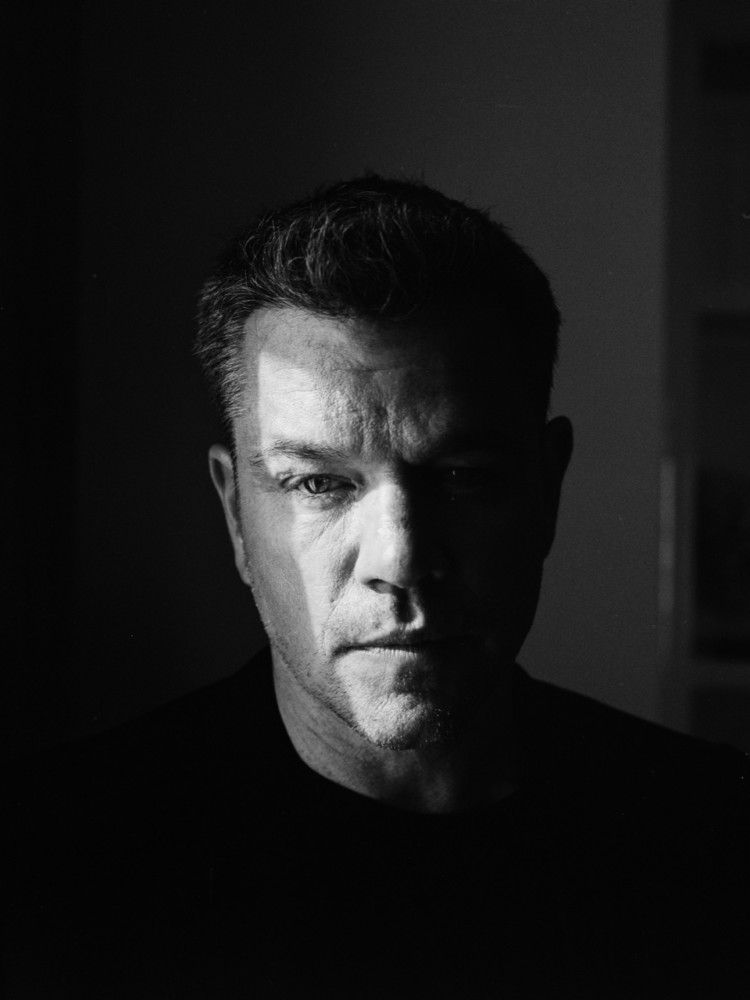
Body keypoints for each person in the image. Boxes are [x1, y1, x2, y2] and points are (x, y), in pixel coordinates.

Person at [5, 176, 749, 998]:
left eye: (463, 475)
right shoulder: (48, 867)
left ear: (547, 491)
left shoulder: (717, 839)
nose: (401, 559)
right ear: (236, 514)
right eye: (319, 484)